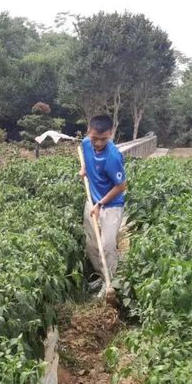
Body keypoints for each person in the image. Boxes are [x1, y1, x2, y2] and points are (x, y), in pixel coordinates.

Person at [78, 115, 126, 301]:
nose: (98, 143)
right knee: (91, 244)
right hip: (92, 201)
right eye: (94, 138)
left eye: (103, 139)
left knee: (106, 245)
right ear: (88, 133)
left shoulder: (113, 156)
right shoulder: (85, 143)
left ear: (111, 134)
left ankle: (110, 283)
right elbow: (86, 154)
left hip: (111, 205)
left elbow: (121, 186)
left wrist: (100, 204)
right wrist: (84, 168)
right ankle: (102, 276)